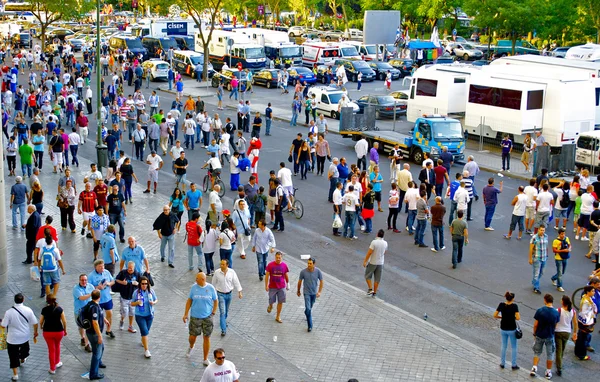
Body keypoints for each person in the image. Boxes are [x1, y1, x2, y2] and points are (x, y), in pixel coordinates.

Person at [183, 272, 218, 366]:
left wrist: (213, 312)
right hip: (195, 317)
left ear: (203, 279)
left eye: (197, 278)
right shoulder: (194, 288)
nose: (195, 280)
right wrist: (186, 314)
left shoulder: (210, 288)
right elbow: (189, 300)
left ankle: (205, 358)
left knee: (206, 337)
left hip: (207, 317)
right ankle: (191, 346)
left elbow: (215, 300)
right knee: (192, 337)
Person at [1, 293, 39, 381]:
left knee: (13, 356)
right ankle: (22, 359)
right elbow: (35, 322)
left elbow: (3, 325)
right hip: (24, 337)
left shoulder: (9, 312)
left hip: (12, 338)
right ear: (23, 300)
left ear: (14, 300)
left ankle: (15, 375)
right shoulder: (28, 310)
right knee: (25, 351)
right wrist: (35, 332)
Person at [530, 294, 560, 379]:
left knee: (537, 352)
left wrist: (534, 333)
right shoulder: (556, 313)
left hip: (540, 334)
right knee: (550, 354)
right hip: (550, 335)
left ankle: (534, 368)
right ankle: (548, 371)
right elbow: (555, 326)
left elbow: (536, 324)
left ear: (545, 300)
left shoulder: (540, 310)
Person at [212, 259, 243, 336]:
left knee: (226, 310)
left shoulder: (232, 272)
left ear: (227, 265)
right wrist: (212, 295)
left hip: (229, 294)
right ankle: (223, 329)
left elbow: (236, 281)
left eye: (223, 264)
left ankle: (223, 321)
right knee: (222, 311)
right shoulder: (217, 272)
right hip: (220, 294)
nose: (221, 266)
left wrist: (239, 291)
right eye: (221, 264)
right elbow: (213, 283)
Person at [39, 294, 67, 375]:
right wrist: (65, 330)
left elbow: (41, 321)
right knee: (57, 345)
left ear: (47, 300)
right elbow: (64, 321)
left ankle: (52, 368)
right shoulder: (59, 309)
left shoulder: (44, 309)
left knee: (51, 349)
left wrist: (41, 327)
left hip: (47, 332)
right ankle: (57, 362)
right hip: (59, 331)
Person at [85, 290, 110, 380]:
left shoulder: (91, 304)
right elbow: (95, 322)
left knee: (101, 347)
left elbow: (97, 315)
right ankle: (93, 374)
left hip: (90, 332)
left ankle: (98, 362)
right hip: (94, 333)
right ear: (99, 297)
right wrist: (99, 335)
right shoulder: (94, 307)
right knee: (96, 353)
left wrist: (104, 319)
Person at [494, 291, 520, 370]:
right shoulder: (514, 306)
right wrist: (512, 318)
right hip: (512, 328)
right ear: (513, 299)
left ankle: (502, 363)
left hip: (503, 327)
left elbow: (495, 315)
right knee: (514, 347)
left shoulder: (501, 305)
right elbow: (518, 318)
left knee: (503, 346)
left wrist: (501, 317)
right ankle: (514, 364)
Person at [297, 257, 324, 332]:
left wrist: (319, 292)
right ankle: (310, 326)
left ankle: (306, 313)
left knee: (310, 307)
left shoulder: (318, 271)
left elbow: (321, 281)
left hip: (313, 293)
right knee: (308, 308)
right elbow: (299, 282)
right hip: (306, 293)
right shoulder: (303, 272)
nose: (309, 265)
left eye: (310, 264)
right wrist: (298, 291)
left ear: (314, 264)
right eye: (308, 263)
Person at [114, 261, 141, 334]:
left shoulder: (137, 274)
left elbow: (141, 283)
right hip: (124, 296)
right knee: (125, 312)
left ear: (134, 268)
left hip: (133, 297)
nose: (130, 270)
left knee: (132, 312)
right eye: (128, 268)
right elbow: (116, 280)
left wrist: (138, 284)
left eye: (131, 268)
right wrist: (122, 283)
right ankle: (122, 320)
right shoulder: (123, 273)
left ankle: (130, 326)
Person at [36, 232, 66, 297]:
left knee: (47, 284)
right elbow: (59, 261)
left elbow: (39, 260)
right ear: (52, 241)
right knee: (56, 282)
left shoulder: (42, 249)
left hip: (45, 269)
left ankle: (48, 296)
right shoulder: (55, 250)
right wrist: (63, 270)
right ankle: (54, 296)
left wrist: (39, 268)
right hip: (54, 269)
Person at [554, 295, 578, 376]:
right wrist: (575, 332)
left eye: (561, 300)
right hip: (567, 332)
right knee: (562, 348)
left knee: (558, 349)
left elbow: (555, 321)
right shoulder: (573, 311)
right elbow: (575, 323)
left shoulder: (559, 310)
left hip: (558, 331)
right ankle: (559, 361)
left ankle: (559, 367)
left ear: (563, 302)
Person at [265, 252, 290, 324]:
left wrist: (288, 283)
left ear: (281, 258)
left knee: (280, 301)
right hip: (272, 287)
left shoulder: (284, 265)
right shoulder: (270, 265)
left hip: (281, 287)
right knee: (271, 300)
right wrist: (266, 285)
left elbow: (286, 275)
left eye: (279, 258)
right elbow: (267, 276)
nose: (278, 259)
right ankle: (270, 305)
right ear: (275, 257)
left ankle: (278, 316)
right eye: (277, 257)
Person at [574, 285, 597, 361]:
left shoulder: (586, 298)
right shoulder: (586, 301)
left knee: (580, 337)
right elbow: (584, 312)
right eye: (592, 291)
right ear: (588, 292)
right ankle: (582, 354)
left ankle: (577, 352)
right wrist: (590, 310)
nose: (594, 292)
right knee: (583, 339)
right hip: (585, 323)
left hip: (583, 321)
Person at [73, 273, 94, 353]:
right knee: (81, 327)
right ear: (79, 280)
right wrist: (91, 294)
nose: (84, 281)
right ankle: (82, 337)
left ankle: (87, 344)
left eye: (85, 280)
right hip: (79, 311)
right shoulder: (76, 289)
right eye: (82, 280)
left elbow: (94, 297)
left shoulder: (90, 286)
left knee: (88, 327)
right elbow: (82, 298)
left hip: (89, 311)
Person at [363, 230, 388, 298]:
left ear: (377, 234)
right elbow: (385, 252)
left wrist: (365, 261)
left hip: (373, 262)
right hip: (380, 263)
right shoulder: (385, 243)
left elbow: (369, 252)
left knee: (367, 275)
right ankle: (375, 292)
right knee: (377, 278)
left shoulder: (374, 242)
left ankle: (370, 289)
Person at [550, 228, 571, 293]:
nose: (563, 235)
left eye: (564, 234)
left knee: (562, 272)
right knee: (560, 272)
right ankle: (559, 286)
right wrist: (563, 250)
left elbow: (569, 245)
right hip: (558, 258)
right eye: (562, 234)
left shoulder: (566, 238)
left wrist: (569, 249)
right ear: (559, 234)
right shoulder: (555, 241)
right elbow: (554, 250)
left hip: (565, 257)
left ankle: (553, 278)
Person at [529, 226, 548, 294]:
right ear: (538, 230)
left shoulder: (546, 236)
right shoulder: (534, 237)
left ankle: (534, 281)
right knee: (536, 273)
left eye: (543, 230)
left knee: (542, 272)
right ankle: (536, 287)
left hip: (544, 257)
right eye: (541, 230)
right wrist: (530, 258)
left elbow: (546, 246)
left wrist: (547, 254)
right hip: (537, 258)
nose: (542, 232)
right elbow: (531, 249)